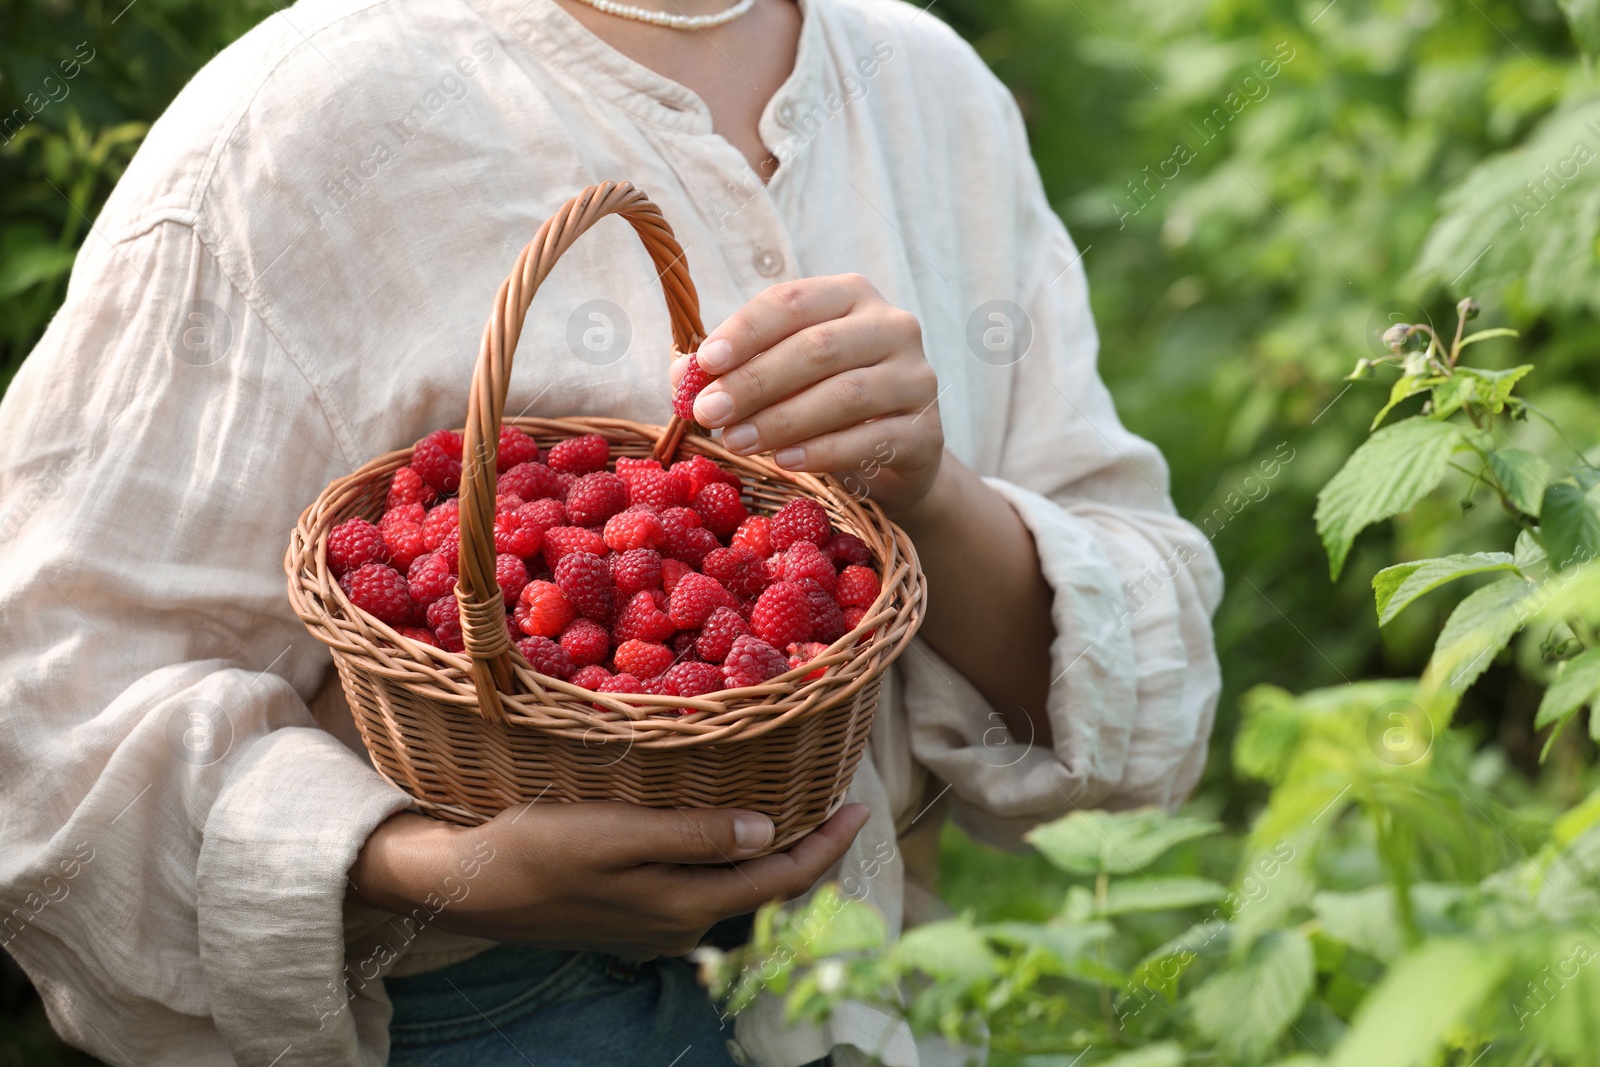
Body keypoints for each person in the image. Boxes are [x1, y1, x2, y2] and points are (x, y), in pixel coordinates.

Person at [0, 0, 1223, 1063]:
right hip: (486, 1012)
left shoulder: (929, 88)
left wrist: (932, 489)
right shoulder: (302, 114)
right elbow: (44, 715)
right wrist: (426, 872)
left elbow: (1130, 713)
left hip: (873, 984)